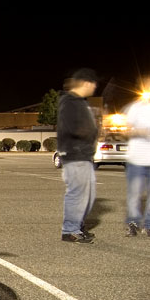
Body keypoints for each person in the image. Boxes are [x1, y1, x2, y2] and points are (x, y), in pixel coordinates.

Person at [56, 68, 98, 243]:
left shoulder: (79, 102)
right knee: (77, 194)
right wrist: (89, 132)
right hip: (75, 154)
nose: (94, 88)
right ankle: (70, 230)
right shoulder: (70, 102)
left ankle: (77, 226)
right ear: (86, 83)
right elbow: (71, 127)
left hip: (84, 154)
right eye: (94, 85)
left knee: (88, 196)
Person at [122, 75, 150, 237]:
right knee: (135, 193)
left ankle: (149, 225)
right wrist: (140, 131)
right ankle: (132, 223)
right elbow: (125, 131)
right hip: (137, 159)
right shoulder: (135, 108)